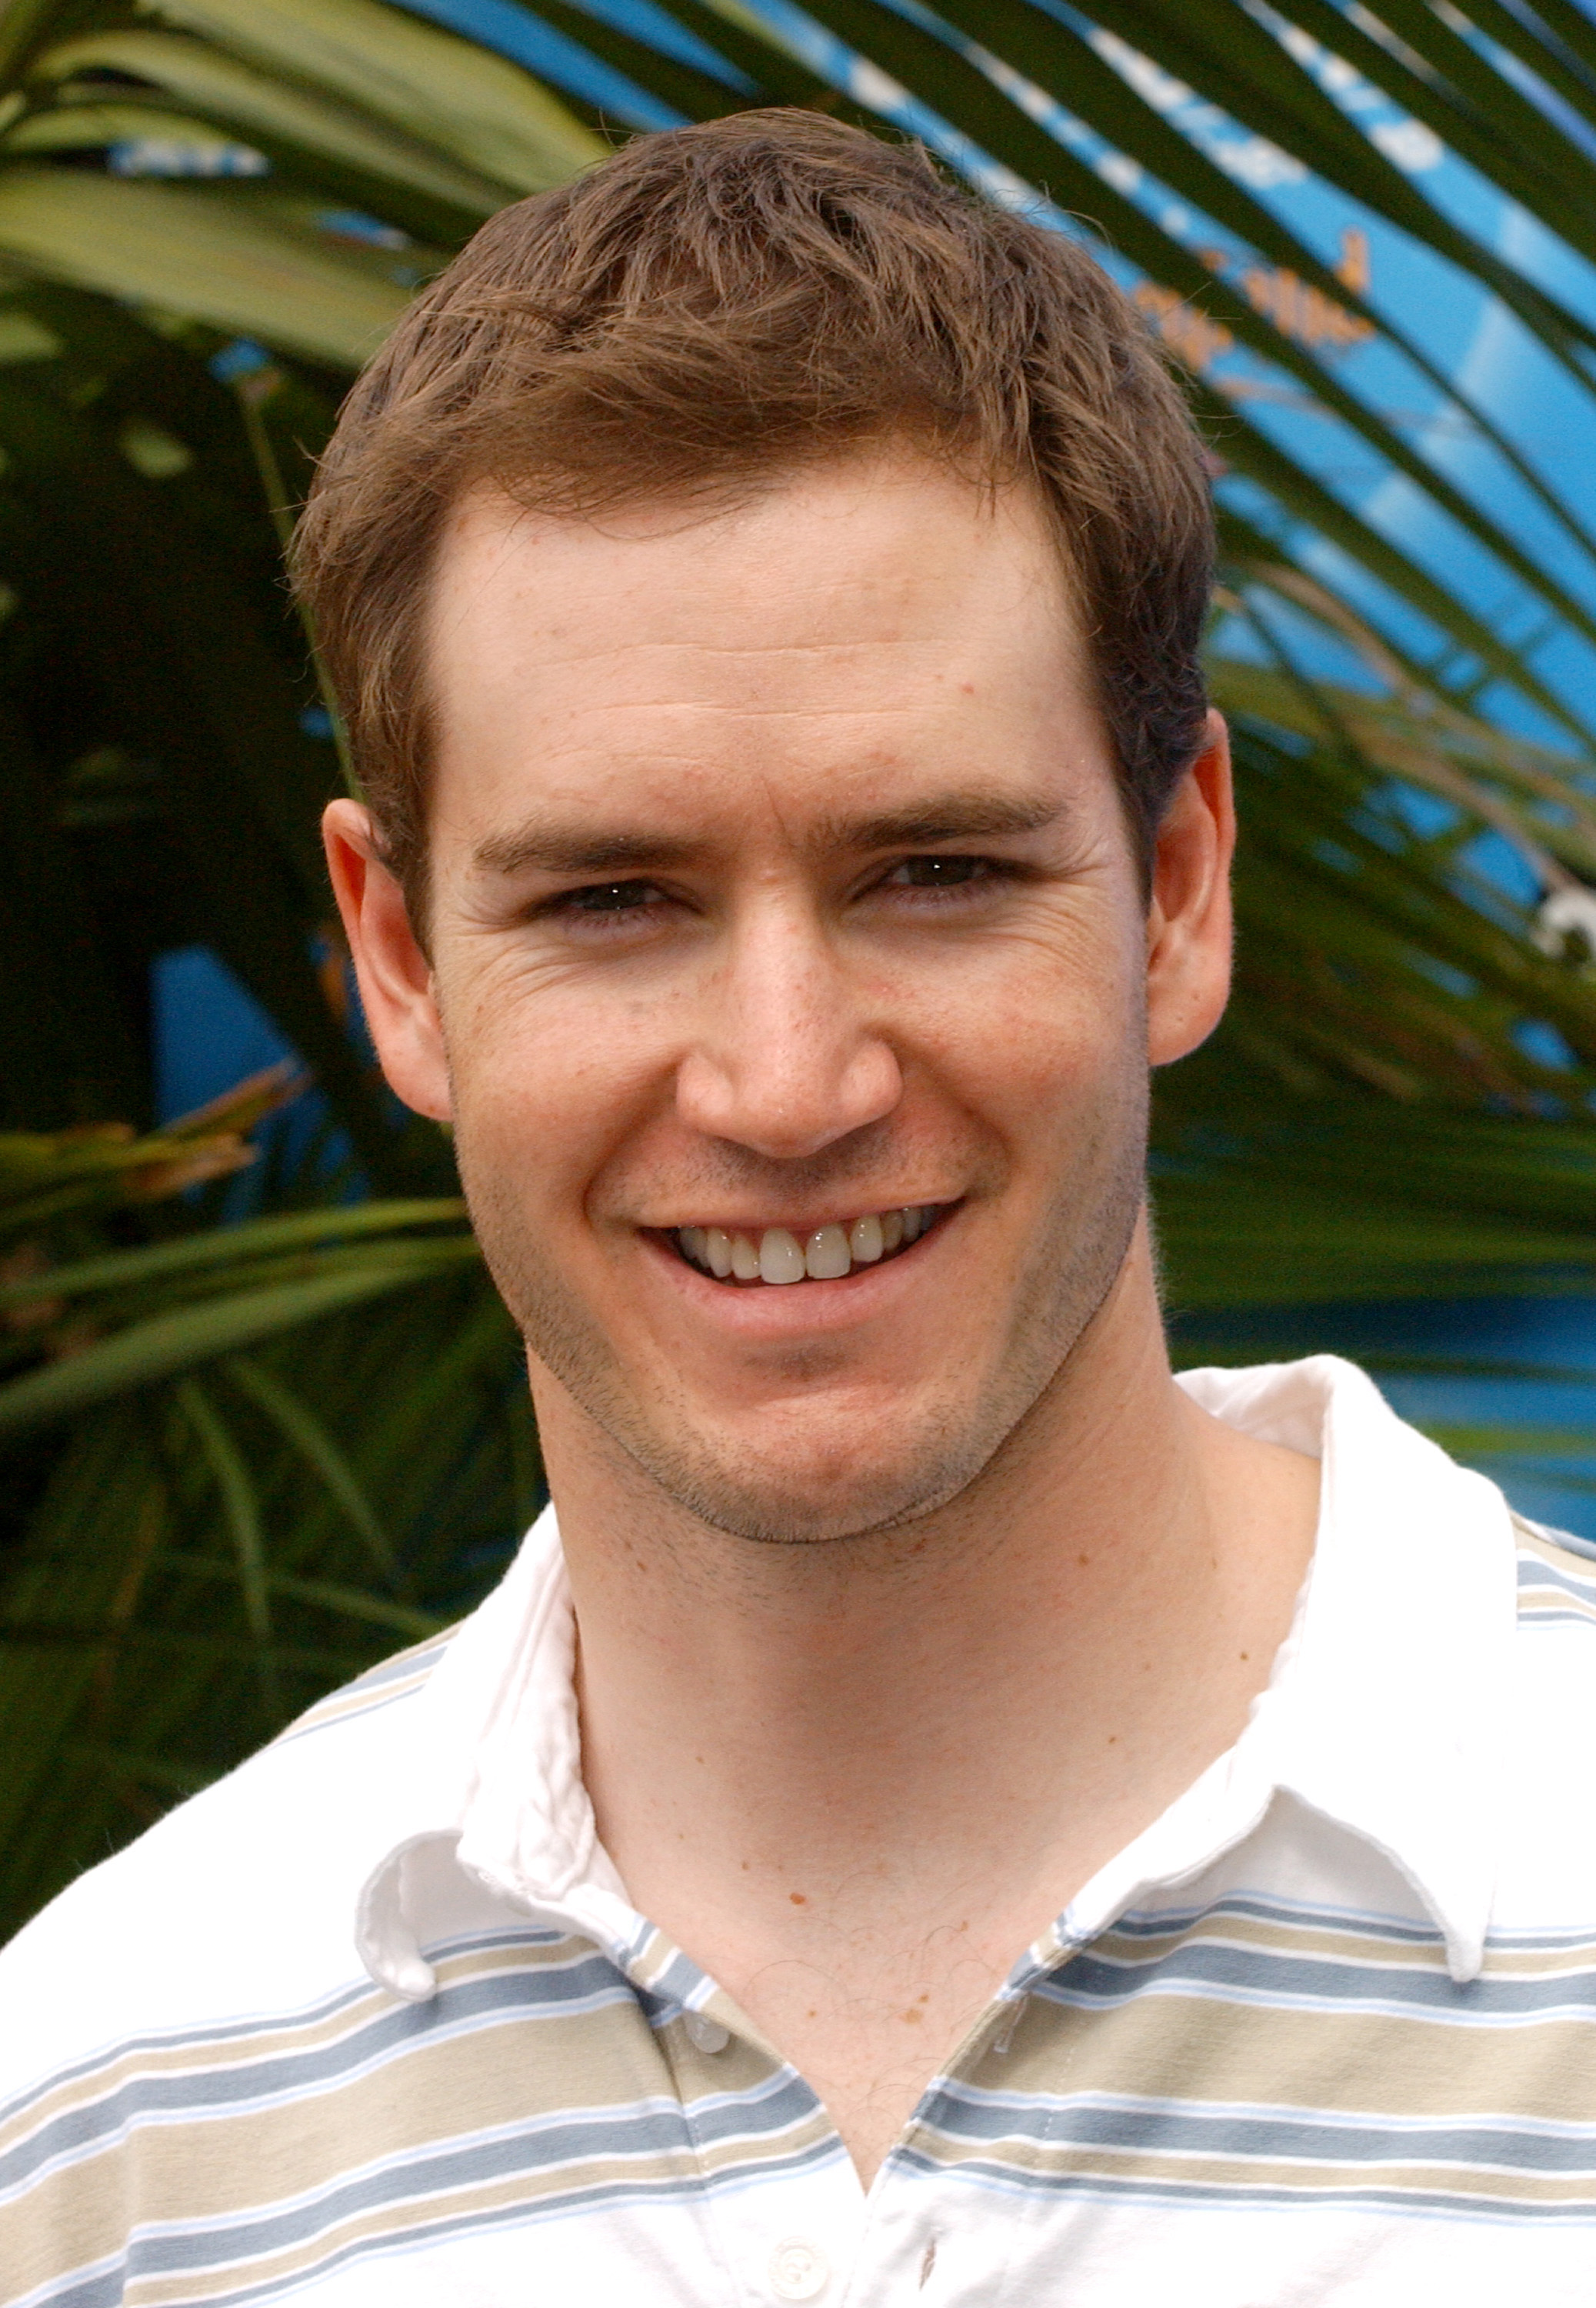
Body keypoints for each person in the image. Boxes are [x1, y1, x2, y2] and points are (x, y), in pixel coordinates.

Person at [4, 108, 1596, 2308]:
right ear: (394, 959)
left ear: (1179, 881)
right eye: (613, 898)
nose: (783, 1084)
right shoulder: (101, 2118)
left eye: (933, 873)